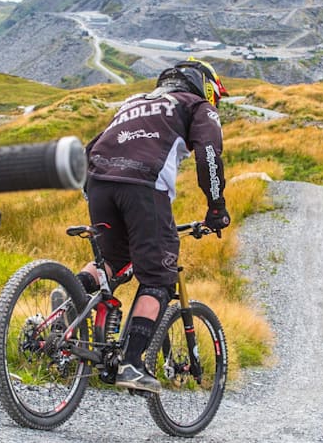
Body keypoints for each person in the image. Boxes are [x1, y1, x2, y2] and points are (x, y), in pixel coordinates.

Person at [79, 58, 230, 393]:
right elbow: (208, 154)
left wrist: (92, 190)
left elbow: (95, 145)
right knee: (159, 277)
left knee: (113, 261)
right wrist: (216, 208)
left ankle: (71, 296)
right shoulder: (197, 105)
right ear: (205, 85)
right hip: (143, 186)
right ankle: (132, 365)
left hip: (99, 181)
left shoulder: (134, 102)